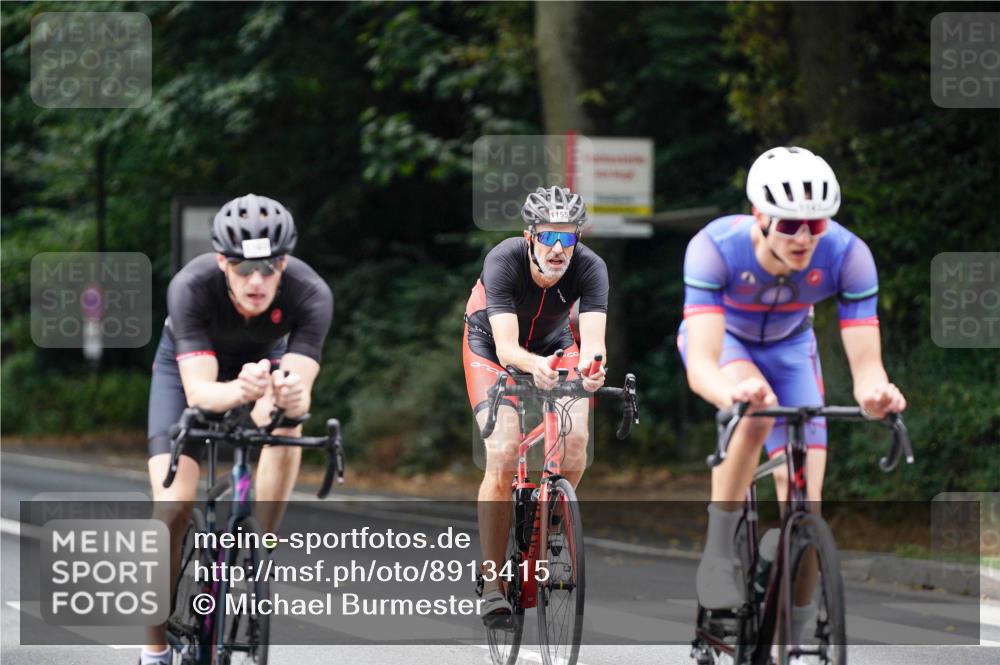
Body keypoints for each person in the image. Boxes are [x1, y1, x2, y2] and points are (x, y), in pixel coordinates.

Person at [679, 147, 906, 646]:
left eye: (815, 224)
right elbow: (701, 364)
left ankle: (798, 636)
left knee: (807, 510)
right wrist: (731, 393)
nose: (803, 237)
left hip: (791, 347)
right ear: (759, 216)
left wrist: (877, 395)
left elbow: (868, 368)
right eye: (788, 225)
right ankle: (718, 553)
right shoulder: (714, 248)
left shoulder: (848, 255)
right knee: (755, 416)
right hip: (728, 344)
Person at [141, 194, 332, 665]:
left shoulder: (311, 293)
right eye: (243, 268)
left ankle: (260, 547)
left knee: (287, 425)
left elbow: (300, 387)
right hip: (188, 373)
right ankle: (154, 649)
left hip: (264, 365)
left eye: (268, 268)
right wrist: (242, 390)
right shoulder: (191, 286)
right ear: (222, 262)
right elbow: (201, 394)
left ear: (284, 262)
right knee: (172, 510)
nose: (256, 280)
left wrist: (288, 398)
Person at [464, 186, 609, 619]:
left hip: (555, 342)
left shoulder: (592, 268)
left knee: (578, 438)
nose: (559, 248)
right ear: (530, 236)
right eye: (549, 237)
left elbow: (593, 344)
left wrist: (594, 369)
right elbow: (508, 350)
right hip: (490, 347)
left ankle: (552, 520)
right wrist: (533, 366)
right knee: (504, 450)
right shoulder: (503, 260)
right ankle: (492, 581)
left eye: (568, 237)